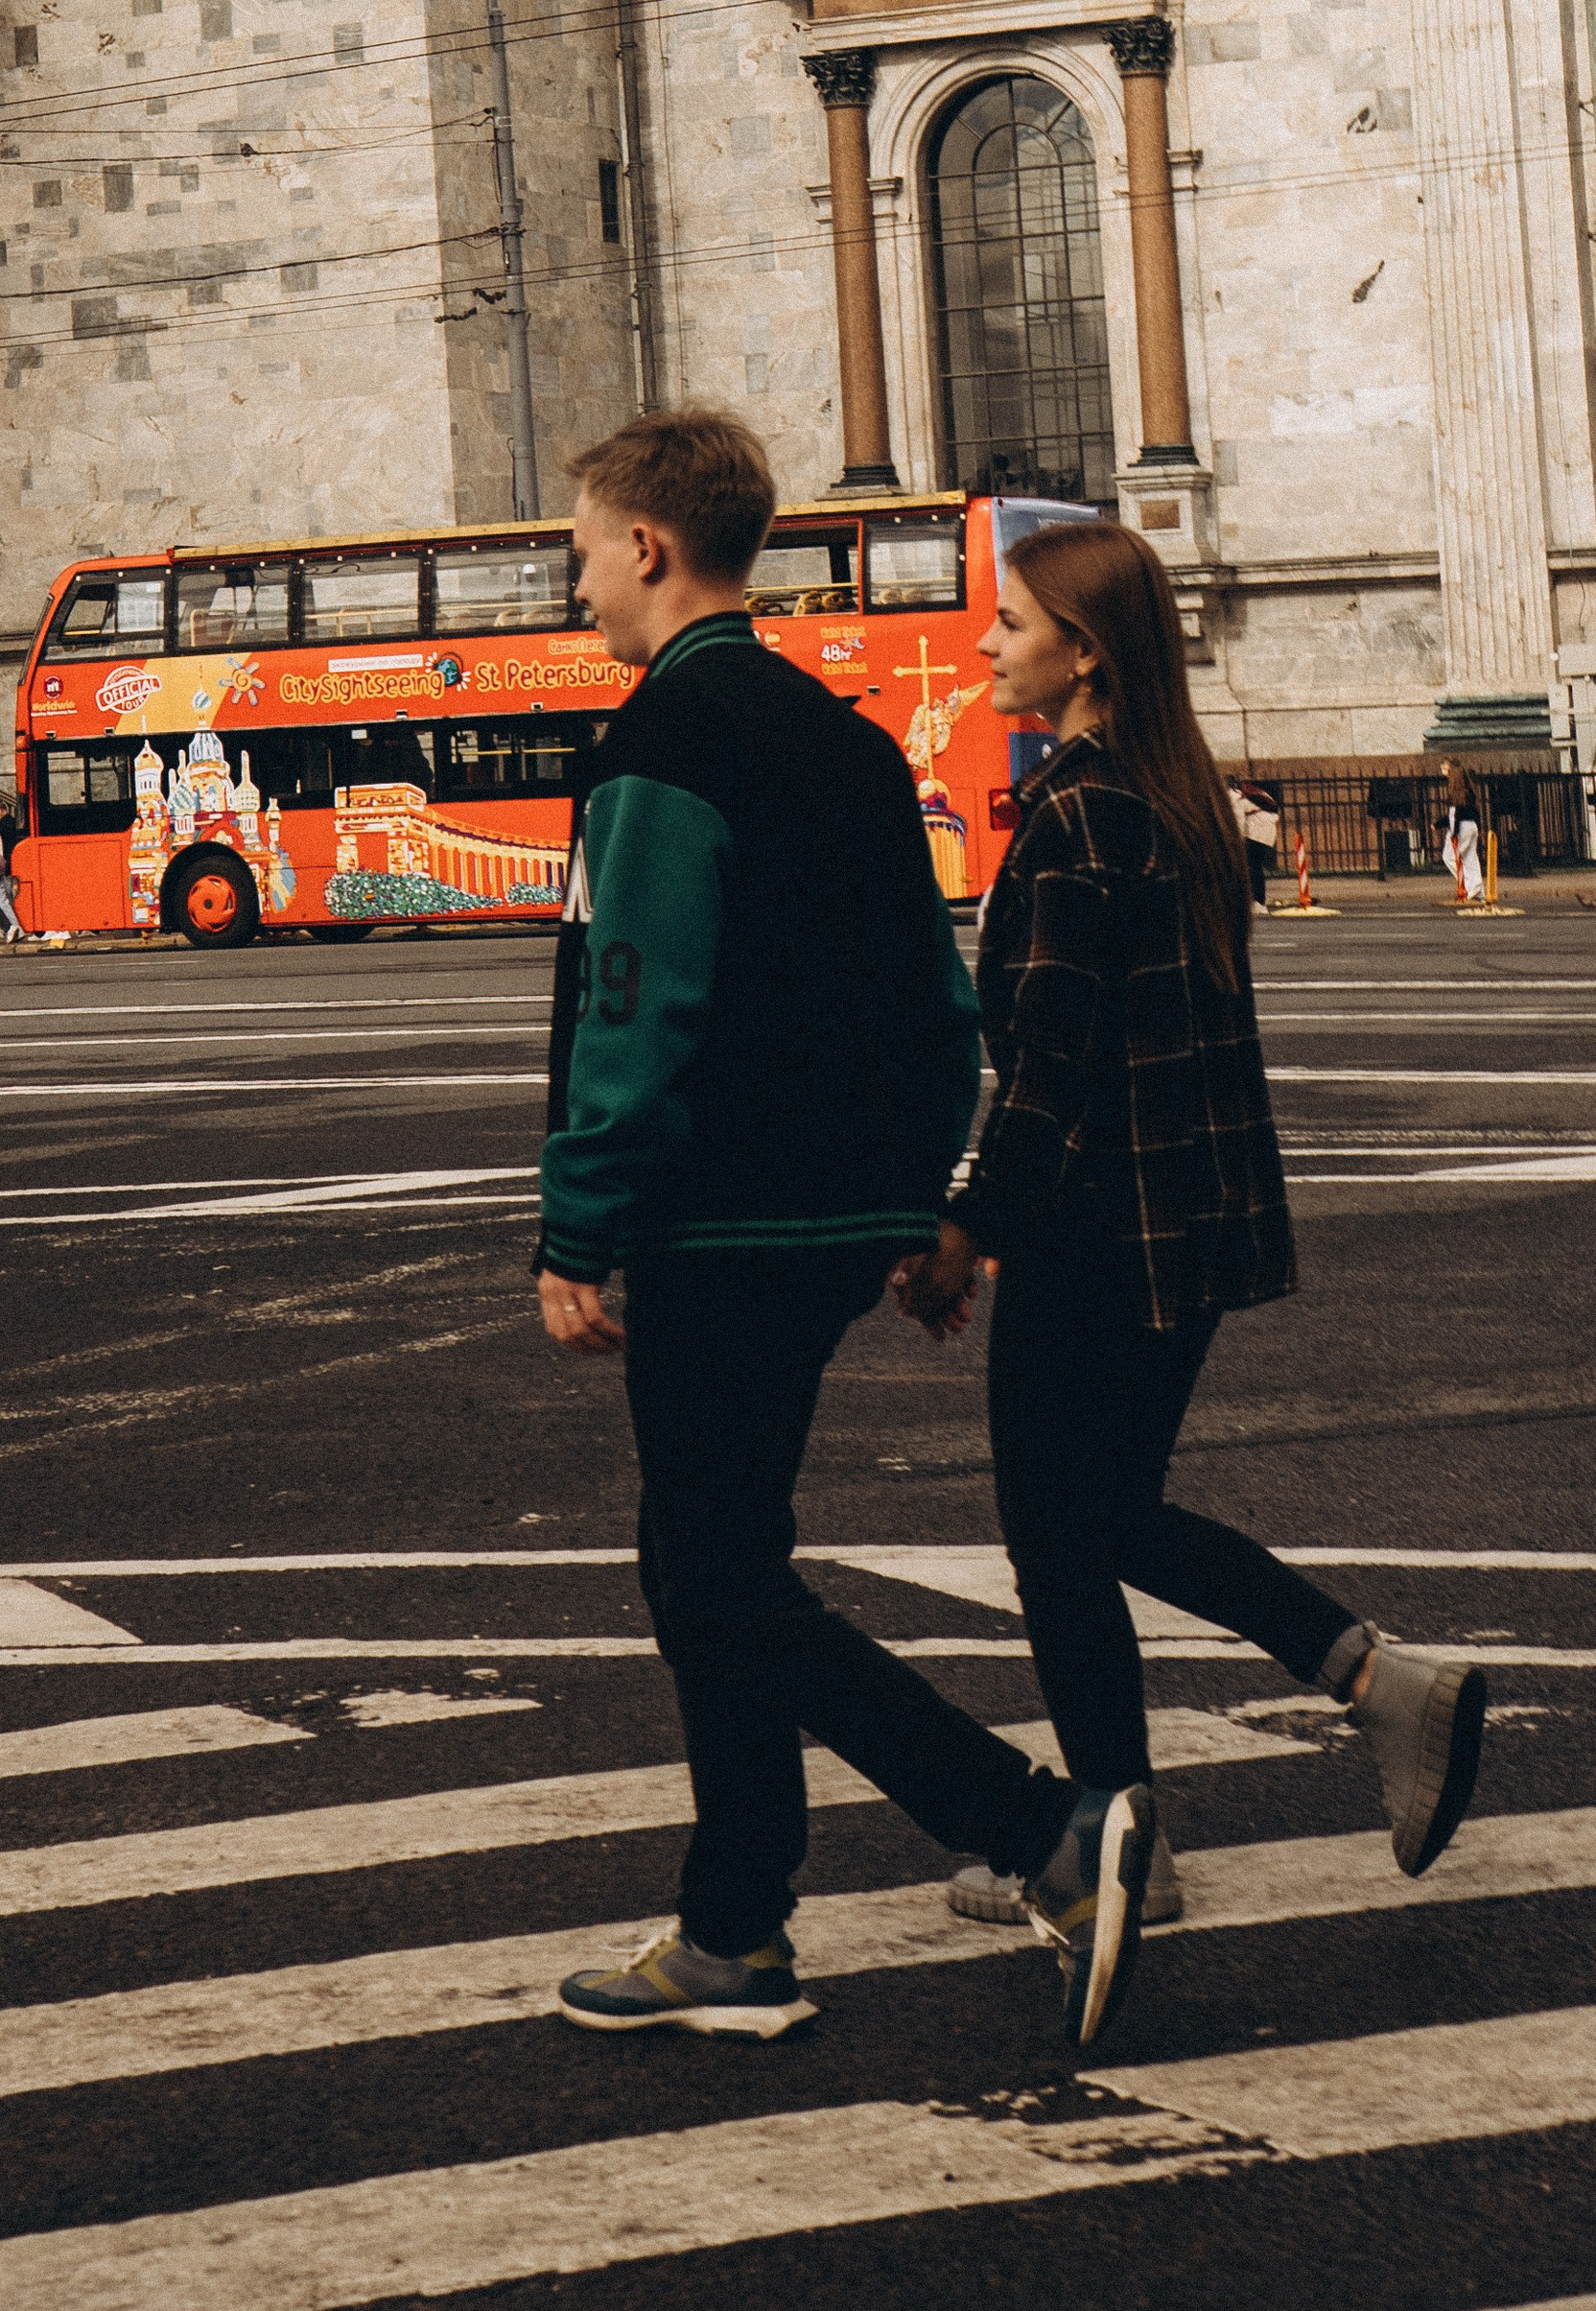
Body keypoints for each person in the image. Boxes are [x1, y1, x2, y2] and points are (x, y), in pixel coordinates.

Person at [536, 411, 1154, 2058]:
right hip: (836, 1219)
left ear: (651, 549)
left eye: (586, 546)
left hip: (715, 1222)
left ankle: (1040, 1832)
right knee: (709, 1563)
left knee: (718, 1584)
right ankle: (734, 1925)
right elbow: (942, 1008)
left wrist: (578, 1224)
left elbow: (633, 1008)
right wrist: (909, 1199)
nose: (577, 578)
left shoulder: (662, 745)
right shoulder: (856, 741)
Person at [896, 521, 1489, 1936]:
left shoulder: (1081, 816)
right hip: (1195, 1233)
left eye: (1011, 622)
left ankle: (1125, 1843)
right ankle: (1362, 1682)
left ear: (1082, 653)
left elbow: (1050, 1075)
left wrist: (970, 1230)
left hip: (1104, 1234)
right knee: (1107, 1515)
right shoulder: (1182, 804)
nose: (985, 644)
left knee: (1057, 1531)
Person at [1225, 776, 1279, 910]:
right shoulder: (1248, 792)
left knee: (1253, 868)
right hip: (1265, 828)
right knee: (1255, 867)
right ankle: (1258, 901)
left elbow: (1239, 820)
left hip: (1256, 831)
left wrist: (1239, 840)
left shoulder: (1233, 796)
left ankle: (1258, 902)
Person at [1437, 758, 1483, 902]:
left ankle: (1468, 887)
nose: (1442, 770)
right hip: (1472, 826)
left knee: (1450, 857)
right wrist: (1479, 828)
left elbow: (1455, 815)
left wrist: (1454, 833)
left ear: (1450, 770)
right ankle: (1478, 889)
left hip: (1461, 827)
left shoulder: (1454, 790)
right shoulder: (1468, 789)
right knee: (1470, 857)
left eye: (1444, 768)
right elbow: (1475, 811)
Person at [0, 804, 24, 940]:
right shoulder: (11, 823)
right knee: (8, 898)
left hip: (5, 867)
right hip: (9, 865)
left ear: (4, 811)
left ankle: (17, 926)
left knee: (8, 898)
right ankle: (16, 926)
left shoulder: (0, 828)